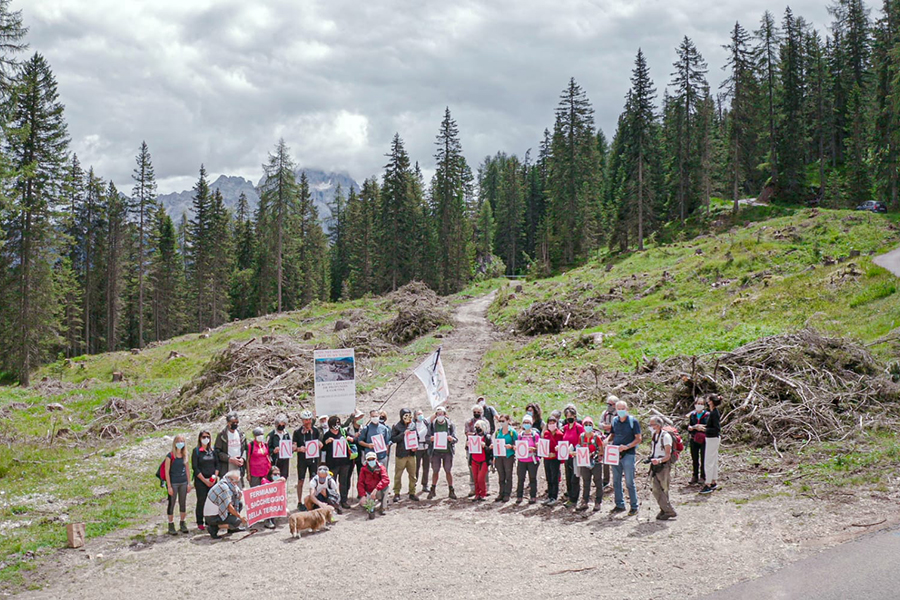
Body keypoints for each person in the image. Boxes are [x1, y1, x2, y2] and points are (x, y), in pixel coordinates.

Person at [606, 400, 642, 516]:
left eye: (623, 408)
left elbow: (638, 438)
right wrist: (606, 441)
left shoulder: (633, 422)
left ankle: (634, 506)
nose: (621, 410)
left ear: (627, 409)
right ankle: (619, 504)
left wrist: (626, 447)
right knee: (616, 480)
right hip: (615, 454)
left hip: (629, 454)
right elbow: (612, 434)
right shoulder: (615, 421)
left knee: (629, 481)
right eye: (618, 408)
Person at [203, 470, 246, 539]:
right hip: (212, 516)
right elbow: (229, 506)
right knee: (237, 521)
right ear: (230, 479)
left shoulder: (228, 484)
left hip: (218, 511)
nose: (237, 484)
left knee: (239, 504)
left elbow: (237, 497)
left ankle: (231, 529)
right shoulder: (224, 488)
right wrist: (240, 517)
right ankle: (213, 527)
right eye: (236, 481)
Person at [648, 416, 677, 520]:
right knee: (655, 488)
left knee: (664, 488)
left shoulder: (666, 437)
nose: (650, 427)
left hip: (664, 465)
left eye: (652, 425)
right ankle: (665, 509)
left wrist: (659, 461)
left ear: (658, 425)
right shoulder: (654, 435)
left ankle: (667, 511)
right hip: (655, 465)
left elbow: (667, 455)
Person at [426, 406, 458, 499]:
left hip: (447, 452)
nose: (440, 416)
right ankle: (433, 489)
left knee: (448, 470)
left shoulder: (450, 425)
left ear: (445, 415)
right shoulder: (432, 425)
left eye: (442, 414)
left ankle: (451, 490)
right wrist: (430, 439)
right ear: (435, 415)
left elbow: (456, 439)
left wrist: (451, 439)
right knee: (435, 471)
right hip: (435, 452)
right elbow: (427, 438)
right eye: (438, 414)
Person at [292, 410, 321, 511]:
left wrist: (320, 444)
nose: (308, 422)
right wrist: (299, 449)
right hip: (302, 460)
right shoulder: (297, 432)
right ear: (302, 420)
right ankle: (299, 502)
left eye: (309, 420)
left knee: (313, 479)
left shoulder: (316, 431)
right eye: (306, 420)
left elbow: (320, 442)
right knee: (301, 480)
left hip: (313, 459)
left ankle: (312, 500)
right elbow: (293, 446)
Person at [322, 415, 353, 509]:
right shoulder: (327, 435)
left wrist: (351, 439)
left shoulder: (343, 432)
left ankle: (344, 500)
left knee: (343, 482)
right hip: (332, 464)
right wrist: (326, 442)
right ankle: (333, 501)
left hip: (345, 462)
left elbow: (354, 439)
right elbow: (322, 448)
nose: (337, 426)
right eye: (335, 424)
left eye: (338, 423)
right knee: (332, 483)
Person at [247, 426, 275, 529]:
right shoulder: (250, 446)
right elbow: (248, 459)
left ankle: (268, 519)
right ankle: (255, 518)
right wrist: (248, 474)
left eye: (261, 434)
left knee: (266, 496)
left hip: (265, 472)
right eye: (258, 435)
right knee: (255, 496)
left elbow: (267, 456)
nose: (260, 436)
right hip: (254, 473)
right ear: (254, 436)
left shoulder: (265, 445)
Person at [389, 408, 419, 502]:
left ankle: (412, 493)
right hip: (401, 455)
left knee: (413, 475)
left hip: (411, 454)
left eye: (409, 415)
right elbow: (393, 439)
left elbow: (416, 437)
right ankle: (397, 493)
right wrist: (403, 434)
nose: (407, 417)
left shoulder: (413, 425)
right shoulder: (396, 426)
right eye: (405, 415)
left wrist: (415, 446)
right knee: (398, 475)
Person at [575, 417, 604, 512]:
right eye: (586, 425)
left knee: (598, 482)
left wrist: (593, 454)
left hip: (596, 463)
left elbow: (601, 451)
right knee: (586, 482)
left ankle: (598, 502)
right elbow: (579, 447)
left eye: (590, 425)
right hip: (585, 463)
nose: (588, 426)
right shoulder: (581, 437)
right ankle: (584, 502)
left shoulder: (596, 437)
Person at [191, 430, 218, 531]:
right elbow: (195, 467)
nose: (206, 439)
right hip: (201, 481)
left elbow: (217, 465)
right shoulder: (196, 451)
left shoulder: (213, 450)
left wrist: (214, 477)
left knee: (211, 501)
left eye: (208, 437)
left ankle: (209, 521)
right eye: (203, 437)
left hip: (212, 480)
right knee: (201, 501)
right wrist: (205, 480)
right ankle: (199, 522)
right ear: (199, 438)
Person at [165, 434, 191, 535]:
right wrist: (169, 486)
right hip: (174, 482)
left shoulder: (185, 455)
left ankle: (182, 522)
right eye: (178, 441)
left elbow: (187, 470)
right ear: (175, 443)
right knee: (171, 503)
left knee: (183, 502)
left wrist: (189, 483)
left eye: (182, 441)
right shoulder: (170, 456)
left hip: (183, 482)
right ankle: (171, 524)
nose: (180, 443)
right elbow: (167, 472)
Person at [465, 404, 491, 497]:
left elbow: (488, 434)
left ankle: (485, 489)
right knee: (473, 473)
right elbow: (467, 433)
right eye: (474, 412)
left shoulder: (486, 422)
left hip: (483, 456)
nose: (476, 414)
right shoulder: (469, 422)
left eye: (478, 412)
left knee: (483, 474)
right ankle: (475, 491)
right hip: (473, 453)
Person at [561, 404, 584, 507]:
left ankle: (574, 499)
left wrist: (577, 451)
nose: (569, 418)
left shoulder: (579, 428)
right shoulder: (565, 428)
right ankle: (570, 496)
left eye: (571, 416)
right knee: (568, 476)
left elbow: (583, 441)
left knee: (575, 478)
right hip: (567, 456)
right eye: (567, 416)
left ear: (575, 417)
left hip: (576, 456)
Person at [699, 394, 723, 495]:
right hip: (712, 438)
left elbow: (717, 428)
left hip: (712, 439)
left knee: (708, 461)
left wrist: (704, 429)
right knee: (713, 460)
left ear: (711, 402)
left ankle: (708, 483)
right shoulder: (713, 412)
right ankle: (713, 480)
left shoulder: (714, 413)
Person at [515, 414, 540, 504]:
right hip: (522, 460)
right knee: (520, 479)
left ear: (531, 423)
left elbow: (539, 448)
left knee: (532, 478)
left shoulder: (535, 435)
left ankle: (533, 496)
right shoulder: (520, 435)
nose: (526, 424)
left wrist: (534, 448)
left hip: (532, 460)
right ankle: (519, 496)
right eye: (525, 422)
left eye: (528, 422)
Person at [214, 413, 246, 484]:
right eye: (233, 422)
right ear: (228, 423)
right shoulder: (222, 435)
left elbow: (245, 449)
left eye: (237, 422)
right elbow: (217, 451)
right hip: (227, 465)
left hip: (239, 464)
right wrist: (229, 459)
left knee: (239, 488)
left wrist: (243, 459)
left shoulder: (241, 434)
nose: (235, 424)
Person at [358, 451, 390, 519]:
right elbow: (360, 483)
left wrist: (376, 489)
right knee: (366, 506)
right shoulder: (363, 469)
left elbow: (386, 479)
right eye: (369, 459)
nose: (371, 461)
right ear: (366, 460)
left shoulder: (381, 467)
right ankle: (371, 508)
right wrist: (363, 495)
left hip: (378, 490)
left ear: (376, 459)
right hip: (369, 491)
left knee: (386, 488)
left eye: (373, 459)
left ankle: (383, 508)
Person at [493, 415, 517, 502]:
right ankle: (501, 493)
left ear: (508, 421)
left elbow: (517, 444)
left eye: (503, 421)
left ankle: (507, 493)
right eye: (500, 421)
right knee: (501, 475)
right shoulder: (498, 432)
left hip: (508, 456)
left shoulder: (512, 432)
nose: (502, 423)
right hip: (499, 456)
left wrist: (511, 446)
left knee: (508, 475)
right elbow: (496, 442)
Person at [541, 415, 564, 506]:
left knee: (555, 478)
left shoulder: (560, 434)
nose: (551, 425)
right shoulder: (546, 433)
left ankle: (554, 497)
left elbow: (562, 448)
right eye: (550, 423)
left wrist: (556, 453)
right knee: (549, 477)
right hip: (547, 458)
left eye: (553, 423)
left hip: (555, 459)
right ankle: (549, 496)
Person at [687, 400, 709, 485]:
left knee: (704, 458)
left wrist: (700, 427)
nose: (699, 405)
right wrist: (691, 428)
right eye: (698, 404)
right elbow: (690, 425)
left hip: (704, 439)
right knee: (694, 458)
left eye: (701, 404)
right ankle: (695, 475)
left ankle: (703, 476)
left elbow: (708, 426)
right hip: (694, 438)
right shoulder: (692, 415)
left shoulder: (707, 415)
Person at [469, 419, 492, 501]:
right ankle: (477, 494)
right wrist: (467, 444)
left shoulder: (487, 437)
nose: (477, 429)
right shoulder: (473, 437)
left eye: (479, 427)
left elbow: (490, 450)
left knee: (480, 478)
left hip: (483, 460)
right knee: (475, 478)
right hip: (474, 460)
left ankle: (483, 493)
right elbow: (469, 450)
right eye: (476, 427)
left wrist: (484, 446)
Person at [267, 414, 291, 487]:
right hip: (275, 460)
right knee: (275, 479)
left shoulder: (286, 434)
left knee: (284, 478)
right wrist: (273, 451)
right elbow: (267, 448)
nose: (281, 426)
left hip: (285, 460)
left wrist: (292, 448)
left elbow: (289, 446)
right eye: (279, 425)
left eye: (283, 424)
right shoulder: (271, 435)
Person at [600, 396, 618, 488]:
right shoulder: (605, 413)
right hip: (606, 436)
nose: (608, 406)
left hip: (616, 438)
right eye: (607, 404)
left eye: (610, 404)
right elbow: (600, 424)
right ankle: (606, 480)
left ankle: (616, 480)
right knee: (605, 460)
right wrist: (604, 426)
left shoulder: (618, 414)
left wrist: (611, 427)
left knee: (614, 460)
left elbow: (618, 426)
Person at [414, 409, 431, 496]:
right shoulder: (413, 424)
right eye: (418, 414)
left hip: (426, 447)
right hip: (417, 448)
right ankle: (414, 483)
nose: (420, 415)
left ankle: (425, 484)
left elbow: (433, 416)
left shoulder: (425, 422)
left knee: (426, 467)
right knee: (415, 467)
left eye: (421, 414)